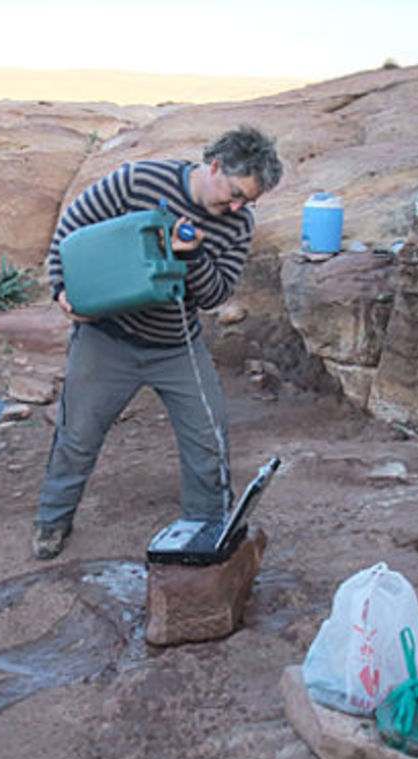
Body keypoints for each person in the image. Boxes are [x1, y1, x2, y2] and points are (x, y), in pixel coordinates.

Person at [33, 125, 283, 559]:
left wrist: (193, 256)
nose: (239, 206)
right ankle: (52, 522)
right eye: (235, 193)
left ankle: (207, 533)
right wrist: (62, 289)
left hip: (176, 346)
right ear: (216, 165)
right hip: (107, 338)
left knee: (209, 438)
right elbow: (71, 228)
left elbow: (216, 295)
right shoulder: (139, 181)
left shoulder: (238, 225)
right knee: (78, 434)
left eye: (249, 201)